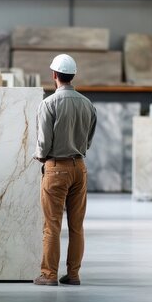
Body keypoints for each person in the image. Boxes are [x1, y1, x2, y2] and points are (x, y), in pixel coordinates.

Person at [33, 54, 97, 286]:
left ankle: (49, 275)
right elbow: (88, 140)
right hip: (79, 167)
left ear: (54, 75)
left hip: (56, 167)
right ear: (73, 76)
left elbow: (43, 143)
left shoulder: (49, 104)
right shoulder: (87, 104)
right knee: (76, 226)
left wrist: (41, 157)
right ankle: (73, 274)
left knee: (52, 225)